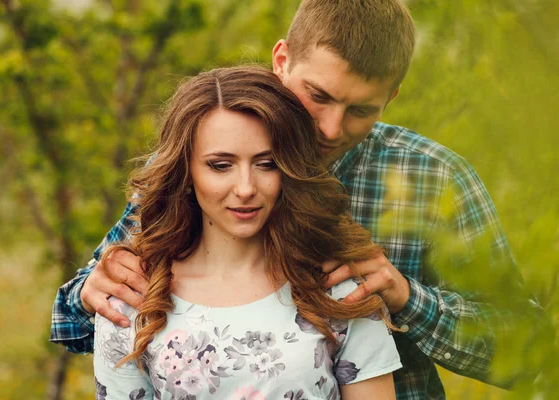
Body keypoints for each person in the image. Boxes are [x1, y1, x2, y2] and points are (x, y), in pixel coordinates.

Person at [51, 1, 538, 398]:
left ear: (392, 97)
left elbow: (530, 356)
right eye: (318, 95)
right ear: (282, 60)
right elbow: (74, 320)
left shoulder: (434, 180)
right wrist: (91, 294)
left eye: (360, 110)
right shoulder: (201, 164)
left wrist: (405, 297)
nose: (330, 128)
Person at [93, 66, 401, 399]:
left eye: (266, 164)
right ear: (186, 170)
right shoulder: (130, 302)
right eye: (220, 165)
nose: (245, 188)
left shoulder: (339, 292)